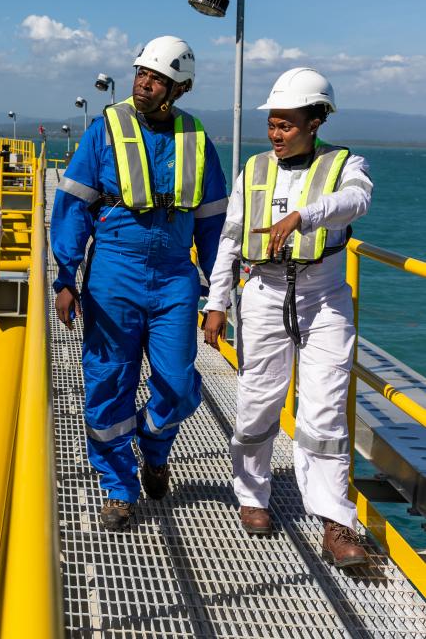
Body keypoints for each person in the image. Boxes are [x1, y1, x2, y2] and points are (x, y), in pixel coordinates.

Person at [51, 35, 228, 531]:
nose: (144, 84)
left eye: (157, 79)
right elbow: (72, 205)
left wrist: (220, 292)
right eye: (141, 74)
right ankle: (118, 488)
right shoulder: (106, 130)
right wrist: (66, 278)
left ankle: (154, 447)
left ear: (180, 88)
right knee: (109, 382)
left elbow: (215, 223)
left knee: (177, 383)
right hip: (114, 271)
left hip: (175, 276)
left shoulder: (197, 140)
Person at [202, 67, 372, 568]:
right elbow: (230, 241)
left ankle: (335, 521)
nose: (275, 134)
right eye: (272, 124)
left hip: (324, 298)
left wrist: (305, 215)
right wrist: (216, 303)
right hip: (265, 292)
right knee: (258, 402)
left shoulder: (345, 164)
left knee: (324, 412)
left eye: (286, 125)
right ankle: (253, 496)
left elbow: (358, 199)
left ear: (315, 122)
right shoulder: (253, 170)